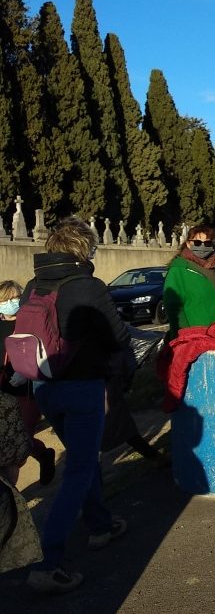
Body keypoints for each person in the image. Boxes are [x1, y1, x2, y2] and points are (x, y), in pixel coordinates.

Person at [21, 217, 131, 593]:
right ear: (85, 249)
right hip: (83, 387)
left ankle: (100, 525)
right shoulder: (89, 286)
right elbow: (117, 337)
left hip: (45, 388)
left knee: (84, 461)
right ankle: (48, 562)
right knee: (80, 470)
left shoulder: (33, 285)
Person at [0, 280, 56, 487]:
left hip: (26, 390)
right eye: (6, 299)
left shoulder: (27, 322)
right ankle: (42, 454)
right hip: (4, 391)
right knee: (10, 440)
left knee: (19, 439)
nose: (11, 302)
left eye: (15, 297)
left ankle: (11, 496)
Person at [162, 225, 215, 342]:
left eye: (207, 243)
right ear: (188, 244)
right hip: (199, 337)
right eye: (197, 243)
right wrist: (183, 336)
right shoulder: (178, 270)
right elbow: (173, 307)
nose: (203, 246)